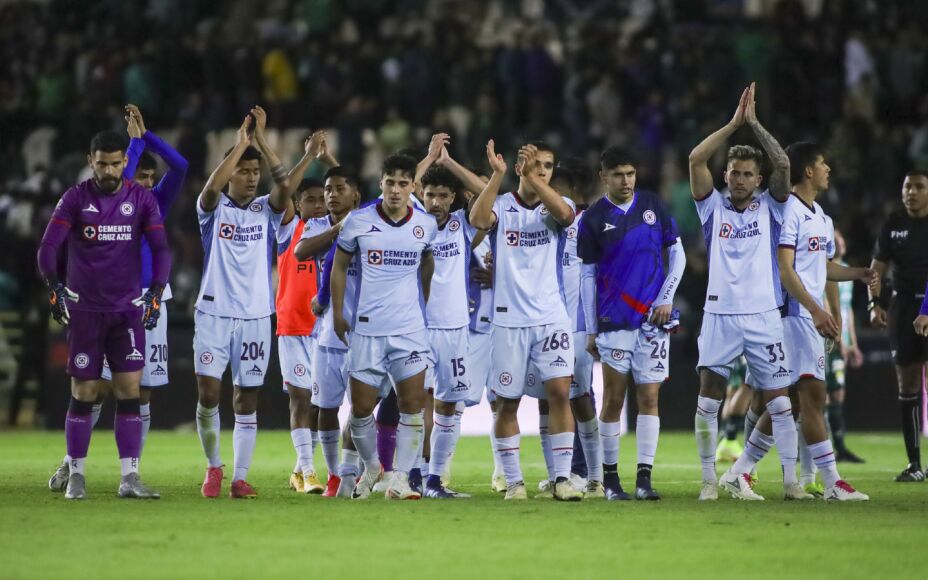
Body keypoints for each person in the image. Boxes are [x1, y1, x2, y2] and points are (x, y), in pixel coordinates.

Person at [720, 141, 874, 501]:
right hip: (791, 316)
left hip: (806, 317)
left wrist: (859, 273)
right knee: (810, 397)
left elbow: (821, 268)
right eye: (823, 164)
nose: (828, 170)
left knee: (787, 402)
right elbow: (785, 270)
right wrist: (818, 310)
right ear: (808, 170)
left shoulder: (821, 216)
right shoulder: (787, 210)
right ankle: (832, 481)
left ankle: (739, 470)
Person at [48, 105, 187, 492]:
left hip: (147, 300)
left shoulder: (153, 201)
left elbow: (180, 165)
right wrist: (135, 144)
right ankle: (71, 464)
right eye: (136, 172)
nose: (141, 180)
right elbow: (113, 171)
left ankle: (130, 474)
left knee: (138, 390)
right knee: (92, 390)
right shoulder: (111, 192)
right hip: (101, 297)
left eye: (147, 175)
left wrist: (146, 138)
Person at [690, 84, 801, 501]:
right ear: (726, 176)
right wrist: (733, 125)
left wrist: (754, 125)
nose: (739, 179)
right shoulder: (710, 205)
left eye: (747, 174)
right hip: (718, 314)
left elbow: (784, 163)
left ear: (758, 179)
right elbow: (695, 158)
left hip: (763, 314)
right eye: (734, 173)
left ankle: (790, 482)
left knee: (780, 401)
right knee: (709, 398)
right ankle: (707, 482)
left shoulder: (772, 206)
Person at [470, 141, 581, 501]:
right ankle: (514, 482)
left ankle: (561, 479)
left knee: (560, 393)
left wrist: (534, 179)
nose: (543, 170)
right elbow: (477, 221)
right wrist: (498, 176)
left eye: (548, 165)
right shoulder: (503, 206)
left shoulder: (556, 208)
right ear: (520, 169)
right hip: (508, 321)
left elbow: (566, 216)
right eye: (536, 165)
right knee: (508, 402)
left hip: (551, 318)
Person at [193, 107, 292, 499]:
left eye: (255, 173)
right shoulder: (212, 211)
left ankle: (239, 477)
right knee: (208, 394)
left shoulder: (266, 210)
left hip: (254, 315)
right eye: (244, 171)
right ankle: (214, 465)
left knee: (247, 396)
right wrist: (240, 144)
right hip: (213, 312)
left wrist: (263, 144)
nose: (252, 179)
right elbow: (210, 189)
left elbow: (285, 191)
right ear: (231, 171)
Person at [578, 146, 685, 500]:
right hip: (615, 321)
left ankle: (644, 479)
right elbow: (587, 276)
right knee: (613, 399)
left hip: (653, 320)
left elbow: (678, 254)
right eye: (619, 174)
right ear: (603, 177)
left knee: (649, 396)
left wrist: (667, 297)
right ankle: (610, 481)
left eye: (631, 173)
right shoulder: (592, 219)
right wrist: (592, 328)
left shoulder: (653, 205)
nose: (626, 181)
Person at [331, 153, 437, 500]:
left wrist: (420, 301)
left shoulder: (425, 225)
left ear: (413, 186)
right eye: (390, 182)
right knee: (361, 409)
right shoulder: (357, 222)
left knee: (412, 406)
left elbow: (427, 264)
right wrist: (337, 314)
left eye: (403, 183)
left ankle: (401, 479)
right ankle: (374, 466)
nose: (395, 190)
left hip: (409, 330)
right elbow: (339, 267)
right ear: (381, 184)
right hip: (367, 329)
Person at [295, 165, 362, 497]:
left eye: (339, 189)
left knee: (362, 409)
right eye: (327, 191)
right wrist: (340, 227)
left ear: (355, 195)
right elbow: (300, 251)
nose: (331, 195)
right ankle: (335, 474)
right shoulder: (319, 224)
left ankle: (358, 469)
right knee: (325, 407)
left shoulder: (371, 224)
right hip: (327, 335)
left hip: (365, 332)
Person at [276, 130, 336, 494]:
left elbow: (349, 190)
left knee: (320, 402)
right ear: (298, 204)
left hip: (326, 328)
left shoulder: (338, 229)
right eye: (309, 200)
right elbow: (283, 191)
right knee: (301, 397)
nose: (318, 205)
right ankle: (310, 472)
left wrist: (328, 161)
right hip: (293, 326)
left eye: (321, 199)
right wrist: (310, 156)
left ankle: (301, 468)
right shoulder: (288, 228)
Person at [870, 169, 928, 481]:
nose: (912, 192)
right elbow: (876, 268)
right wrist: (874, 303)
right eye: (908, 186)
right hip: (903, 307)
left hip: (927, 304)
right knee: (906, 385)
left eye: (919, 187)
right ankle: (914, 464)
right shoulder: (893, 225)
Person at [826, 229, 865, 463]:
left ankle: (839, 448)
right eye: (835, 239)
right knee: (822, 393)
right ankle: (814, 447)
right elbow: (828, 305)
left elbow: (847, 309)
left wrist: (853, 343)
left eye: (841, 238)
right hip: (828, 338)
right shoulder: (825, 270)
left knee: (837, 392)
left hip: (842, 338)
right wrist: (837, 337)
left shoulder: (846, 269)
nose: (840, 242)